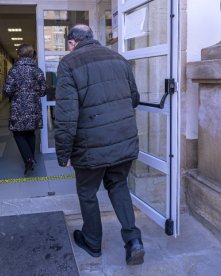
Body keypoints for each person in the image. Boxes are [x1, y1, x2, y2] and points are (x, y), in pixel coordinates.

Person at [54, 25, 144, 265]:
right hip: (123, 138)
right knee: (118, 185)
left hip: (89, 144)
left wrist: (64, 154)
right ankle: (133, 240)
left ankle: (92, 242)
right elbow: (134, 98)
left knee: (87, 193)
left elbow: (66, 116)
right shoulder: (119, 59)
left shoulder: (69, 63)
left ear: (72, 42)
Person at [3, 44, 46, 175]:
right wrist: (33, 93)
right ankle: (31, 159)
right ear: (32, 54)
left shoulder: (14, 71)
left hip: (18, 108)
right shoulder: (37, 70)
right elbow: (43, 91)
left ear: (19, 55)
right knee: (30, 133)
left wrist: (16, 92)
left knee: (18, 133)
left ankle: (29, 159)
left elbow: (7, 91)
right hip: (33, 107)